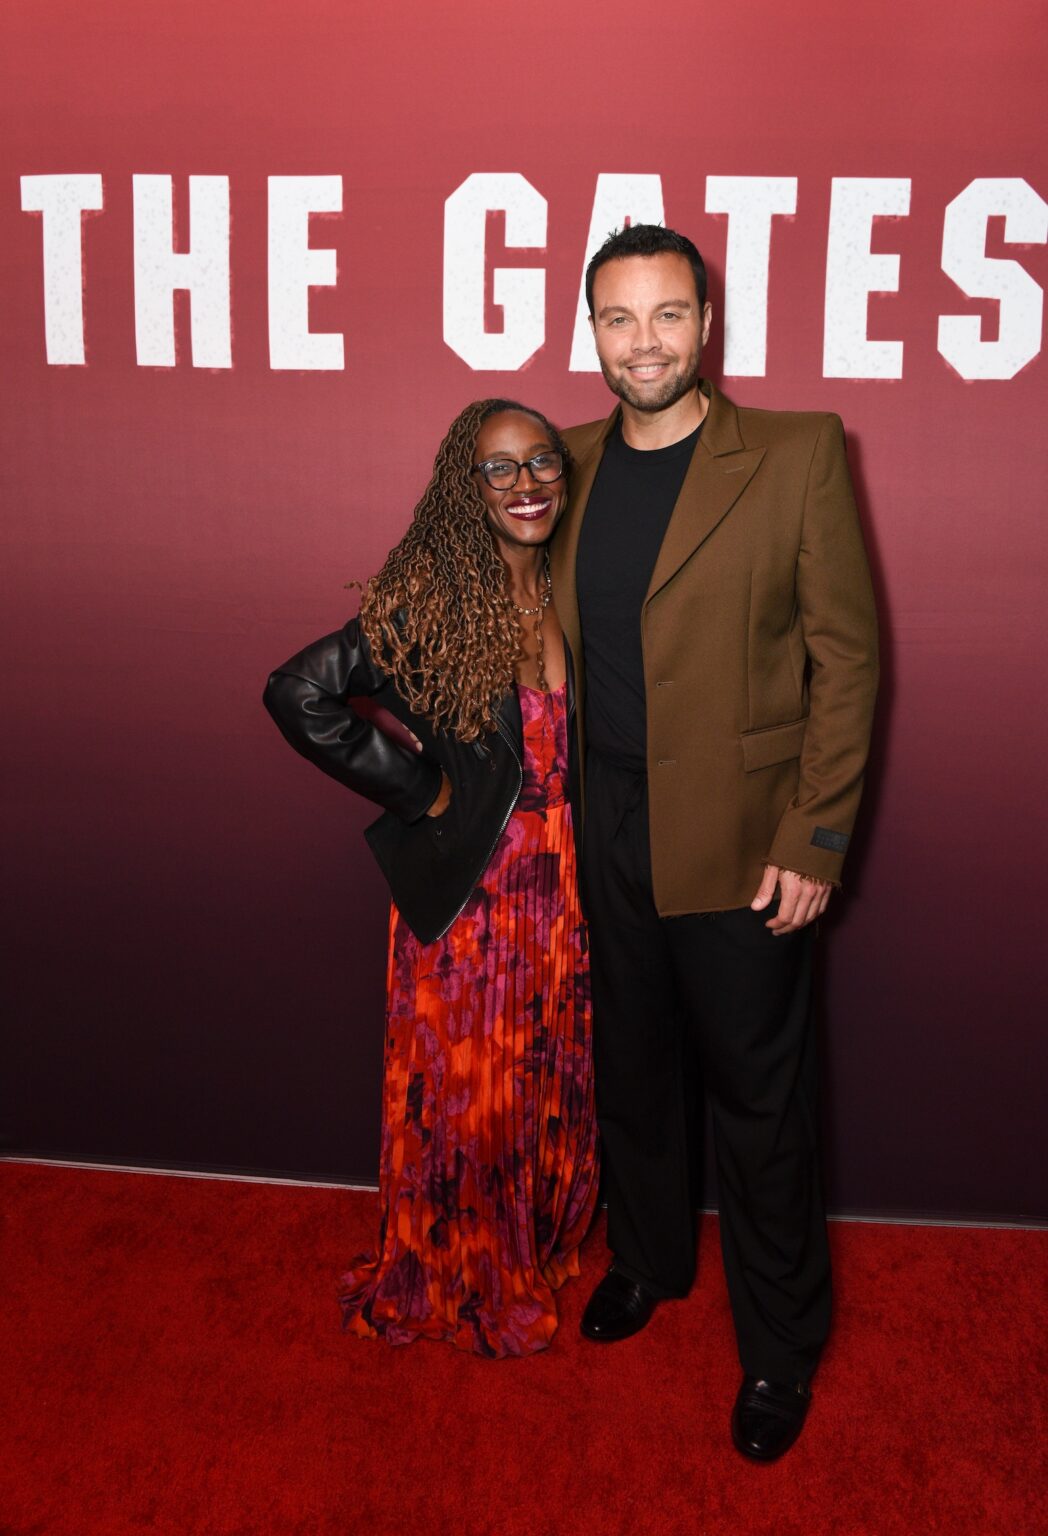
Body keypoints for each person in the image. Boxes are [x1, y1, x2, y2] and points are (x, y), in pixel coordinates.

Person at [551, 225, 879, 1458]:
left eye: (666, 315)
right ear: (593, 333)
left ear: (707, 324)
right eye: (619, 319)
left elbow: (846, 659)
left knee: (759, 1099)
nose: (643, 342)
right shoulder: (563, 462)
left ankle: (780, 1348)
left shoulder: (795, 453)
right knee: (630, 1068)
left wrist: (816, 835)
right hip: (603, 824)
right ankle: (646, 1261)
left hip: (746, 839)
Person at [264, 399, 598, 1358]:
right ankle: (458, 1268)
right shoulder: (437, 598)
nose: (528, 483)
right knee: (469, 1094)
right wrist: (418, 790)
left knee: (543, 1079)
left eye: (542, 462)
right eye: (501, 469)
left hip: (564, 894)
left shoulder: (567, 592)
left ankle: (531, 1239)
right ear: (467, 485)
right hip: (472, 902)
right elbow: (298, 689)